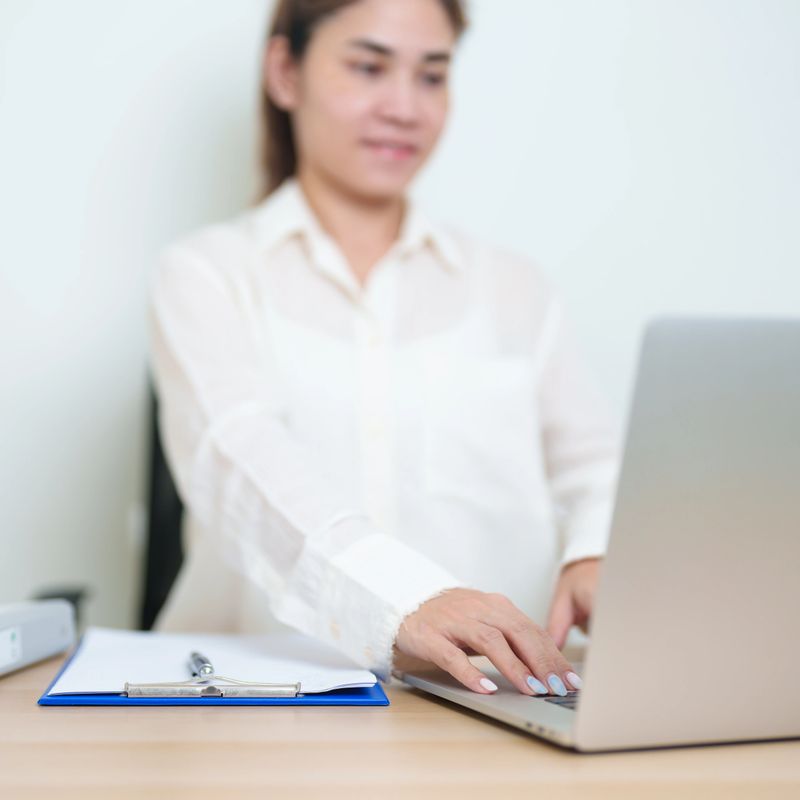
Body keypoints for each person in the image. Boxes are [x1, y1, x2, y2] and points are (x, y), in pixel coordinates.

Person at [149, 0, 619, 699]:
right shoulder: (207, 274)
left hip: (497, 701)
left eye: (431, 76)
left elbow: (595, 464)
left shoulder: (515, 288)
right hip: (262, 704)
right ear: (285, 73)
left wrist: (597, 548)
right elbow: (239, 455)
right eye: (368, 67)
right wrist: (405, 600)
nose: (404, 108)